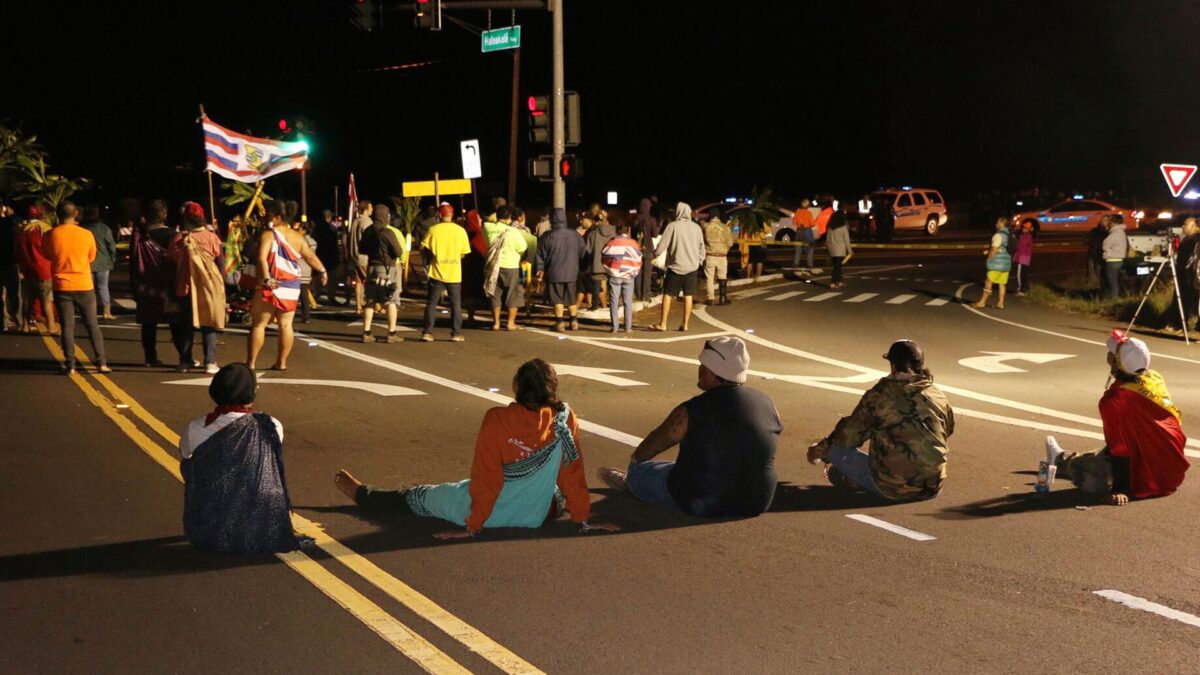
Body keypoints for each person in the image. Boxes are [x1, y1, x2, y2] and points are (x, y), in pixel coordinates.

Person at [334, 359, 617, 537]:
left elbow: (487, 478)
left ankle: (364, 494)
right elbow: (572, 472)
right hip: (537, 513)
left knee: (421, 497)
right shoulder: (565, 419)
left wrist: (474, 525)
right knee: (554, 492)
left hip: (488, 510)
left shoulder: (497, 420)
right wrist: (582, 519)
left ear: (517, 387)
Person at [597, 337, 782, 517]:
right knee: (687, 465)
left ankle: (633, 483)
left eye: (703, 366)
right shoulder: (767, 402)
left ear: (713, 371)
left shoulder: (693, 409)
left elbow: (657, 442)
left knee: (644, 471)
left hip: (701, 501)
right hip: (756, 501)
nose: (699, 370)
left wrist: (636, 460)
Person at [1045, 331, 1188, 505]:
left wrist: (1121, 489)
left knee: (1091, 479)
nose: (1108, 355)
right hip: (1171, 471)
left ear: (1116, 362)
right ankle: (1067, 459)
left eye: (1112, 354)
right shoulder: (1154, 377)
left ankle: (1063, 460)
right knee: (1112, 448)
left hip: (1149, 475)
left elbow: (1120, 448)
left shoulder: (1113, 401)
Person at [806, 340, 954, 501]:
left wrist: (820, 450)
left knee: (836, 452)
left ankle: (861, 480)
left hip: (892, 487)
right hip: (932, 486)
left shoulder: (880, 395)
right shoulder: (938, 395)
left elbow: (847, 438)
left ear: (893, 365)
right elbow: (948, 429)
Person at [179, 363, 302, 554]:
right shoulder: (271, 425)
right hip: (265, 520)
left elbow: (187, 458)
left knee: (190, 464)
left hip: (214, 520)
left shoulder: (197, 427)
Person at [246, 202, 328, 370]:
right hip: (291, 285)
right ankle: (281, 362)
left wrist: (267, 278)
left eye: (269, 215)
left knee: (259, 324)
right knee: (285, 325)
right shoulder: (298, 237)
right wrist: (322, 271)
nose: (266, 218)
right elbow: (310, 257)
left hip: (271, 283)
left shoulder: (268, 235)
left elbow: (261, 258)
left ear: (278, 217)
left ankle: (251, 363)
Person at [42, 201, 109, 374]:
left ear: (57, 215)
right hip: (84, 284)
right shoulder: (86, 234)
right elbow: (92, 257)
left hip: (62, 285)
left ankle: (70, 364)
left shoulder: (50, 235)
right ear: (76, 214)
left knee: (67, 327)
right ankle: (101, 362)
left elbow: (47, 255)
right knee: (92, 324)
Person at [169, 202, 226, 374]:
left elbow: (172, 260)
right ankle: (210, 362)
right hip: (208, 286)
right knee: (208, 324)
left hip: (185, 287)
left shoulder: (179, 239)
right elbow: (221, 264)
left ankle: (185, 361)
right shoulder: (212, 237)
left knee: (186, 325)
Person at [130, 200, 176, 366]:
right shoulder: (172, 234)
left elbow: (134, 261)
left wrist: (133, 285)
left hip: (145, 283)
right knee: (175, 320)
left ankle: (150, 357)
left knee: (148, 323)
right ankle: (184, 357)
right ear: (164, 215)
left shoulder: (140, 235)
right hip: (168, 283)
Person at [420, 203, 471, 342]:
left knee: (432, 303)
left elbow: (424, 248)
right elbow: (464, 253)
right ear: (452, 214)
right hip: (454, 272)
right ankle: (456, 333)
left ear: (439, 215)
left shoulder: (433, 230)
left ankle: (428, 332)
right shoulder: (460, 231)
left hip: (437, 270)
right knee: (456, 304)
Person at [652, 202, 706, 332]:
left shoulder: (673, 226)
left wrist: (655, 254)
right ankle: (685, 324)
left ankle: (663, 323)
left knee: (668, 294)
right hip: (692, 268)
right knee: (688, 295)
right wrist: (699, 261)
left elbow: (662, 245)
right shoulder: (697, 228)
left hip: (675, 267)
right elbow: (702, 248)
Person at [357, 202, 404, 343]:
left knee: (371, 300)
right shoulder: (387, 232)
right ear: (385, 216)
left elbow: (362, 249)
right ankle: (391, 333)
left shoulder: (368, 231)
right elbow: (398, 251)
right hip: (387, 269)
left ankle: (366, 332)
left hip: (371, 268)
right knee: (391, 300)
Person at [536, 207, 584, 332]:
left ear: (552, 220)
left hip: (554, 272)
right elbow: (583, 253)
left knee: (557, 298)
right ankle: (574, 321)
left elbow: (540, 255)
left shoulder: (547, 236)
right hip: (572, 272)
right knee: (571, 297)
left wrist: (540, 269)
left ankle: (560, 323)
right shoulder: (576, 235)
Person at [482, 205, 528, 331]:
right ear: (509, 217)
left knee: (495, 294)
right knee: (513, 295)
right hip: (511, 266)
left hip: (493, 265)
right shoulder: (513, 232)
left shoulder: (487, 227)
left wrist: (496, 216)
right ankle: (510, 323)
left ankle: (496, 323)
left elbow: (488, 219)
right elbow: (522, 248)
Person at [15, 204, 57, 335]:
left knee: (27, 300)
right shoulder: (44, 229)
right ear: (42, 215)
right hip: (43, 269)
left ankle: (25, 326)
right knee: (46, 299)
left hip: (26, 270)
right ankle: (51, 326)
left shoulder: (21, 230)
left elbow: (16, 251)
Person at [601, 221, 642, 333]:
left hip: (614, 274)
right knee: (628, 302)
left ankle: (615, 327)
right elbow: (639, 258)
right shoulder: (633, 243)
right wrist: (634, 271)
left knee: (614, 301)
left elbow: (604, 255)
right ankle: (628, 327)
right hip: (629, 275)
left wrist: (609, 268)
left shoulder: (611, 242)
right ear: (627, 230)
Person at [80, 205, 117, 321]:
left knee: (89, 289)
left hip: (87, 263)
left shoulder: (82, 229)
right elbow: (111, 245)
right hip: (103, 262)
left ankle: (90, 313)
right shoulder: (104, 228)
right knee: (103, 287)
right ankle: (106, 312)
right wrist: (112, 258)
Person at [972, 217, 1013, 309]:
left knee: (988, 282)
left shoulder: (998, 235)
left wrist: (989, 259)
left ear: (1001, 224)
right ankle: (1001, 303)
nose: (996, 224)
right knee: (1002, 284)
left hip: (996, 263)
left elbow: (994, 249)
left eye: (997, 222)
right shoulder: (1009, 234)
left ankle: (982, 302)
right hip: (1006, 264)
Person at [1169, 216, 1199, 330]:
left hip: (1189, 276)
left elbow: (1188, 260)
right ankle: (1181, 323)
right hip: (1188, 276)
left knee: (1185, 300)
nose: (1183, 226)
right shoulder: (1188, 239)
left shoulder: (1192, 240)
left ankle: (1179, 324)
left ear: (1194, 226)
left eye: (1185, 224)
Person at [584, 210, 616, 311]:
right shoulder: (614, 232)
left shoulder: (593, 233)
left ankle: (595, 305)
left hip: (597, 262)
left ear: (596, 221)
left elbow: (588, 250)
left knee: (596, 284)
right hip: (612, 262)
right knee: (611, 284)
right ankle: (613, 303)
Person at [346, 200, 373, 314]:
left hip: (354, 257)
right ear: (366, 209)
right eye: (371, 207)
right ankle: (372, 306)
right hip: (364, 257)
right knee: (370, 282)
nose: (372, 209)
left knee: (358, 282)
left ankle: (358, 305)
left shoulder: (355, 221)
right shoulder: (367, 222)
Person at [703, 209, 734, 305]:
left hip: (710, 256)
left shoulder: (706, 226)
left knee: (709, 278)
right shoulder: (725, 227)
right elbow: (730, 242)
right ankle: (723, 298)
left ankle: (710, 299)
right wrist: (725, 250)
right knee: (722, 276)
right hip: (722, 256)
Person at [314, 209, 342, 306]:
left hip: (319, 255)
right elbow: (335, 244)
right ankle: (331, 296)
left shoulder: (317, 228)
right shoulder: (332, 228)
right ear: (329, 217)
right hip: (330, 256)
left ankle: (316, 295)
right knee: (331, 278)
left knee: (318, 276)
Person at [634, 198, 659, 301]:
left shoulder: (635, 219)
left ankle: (638, 295)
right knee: (647, 274)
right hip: (648, 248)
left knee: (638, 274)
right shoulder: (651, 219)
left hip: (636, 249)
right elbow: (655, 234)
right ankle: (645, 295)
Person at [825, 201, 852, 289]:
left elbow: (827, 239)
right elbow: (847, 239)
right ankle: (833, 282)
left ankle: (839, 281)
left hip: (832, 248)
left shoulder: (830, 227)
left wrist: (828, 248)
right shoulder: (843, 227)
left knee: (837, 265)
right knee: (837, 266)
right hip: (840, 249)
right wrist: (850, 250)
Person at [0, 204, 18, 331]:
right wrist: (11, 214)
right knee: (13, 293)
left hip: (6, 263)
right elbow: (17, 222)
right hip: (9, 263)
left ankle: (2, 322)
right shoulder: (8, 223)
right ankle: (16, 320)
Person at [1102, 214, 1128, 299]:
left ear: (1113, 222)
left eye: (1109, 221)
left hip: (1112, 260)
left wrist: (1107, 253)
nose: (1108, 223)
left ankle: (1114, 298)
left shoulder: (1114, 233)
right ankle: (1116, 297)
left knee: (1112, 282)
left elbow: (1105, 245)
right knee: (1116, 281)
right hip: (1119, 260)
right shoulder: (1122, 232)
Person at [791, 198, 816, 269]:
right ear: (807, 205)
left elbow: (794, 222)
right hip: (807, 231)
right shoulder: (809, 213)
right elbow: (812, 224)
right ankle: (810, 264)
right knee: (810, 247)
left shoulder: (797, 212)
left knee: (798, 247)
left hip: (799, 231)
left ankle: (796, 263)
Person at [1012, 220, 1036, 296]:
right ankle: (1023, 288)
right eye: (1023, 227)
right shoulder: (1026, 236)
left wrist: (1015, 238)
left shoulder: (1026, 236)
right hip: (1025, 256)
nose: (1023, 229)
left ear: (1028, 229)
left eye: (1025, 228)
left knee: (1020, 274)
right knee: (1023, 273)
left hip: (1022, 257)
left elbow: (1020, 245)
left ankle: (1021, 289)